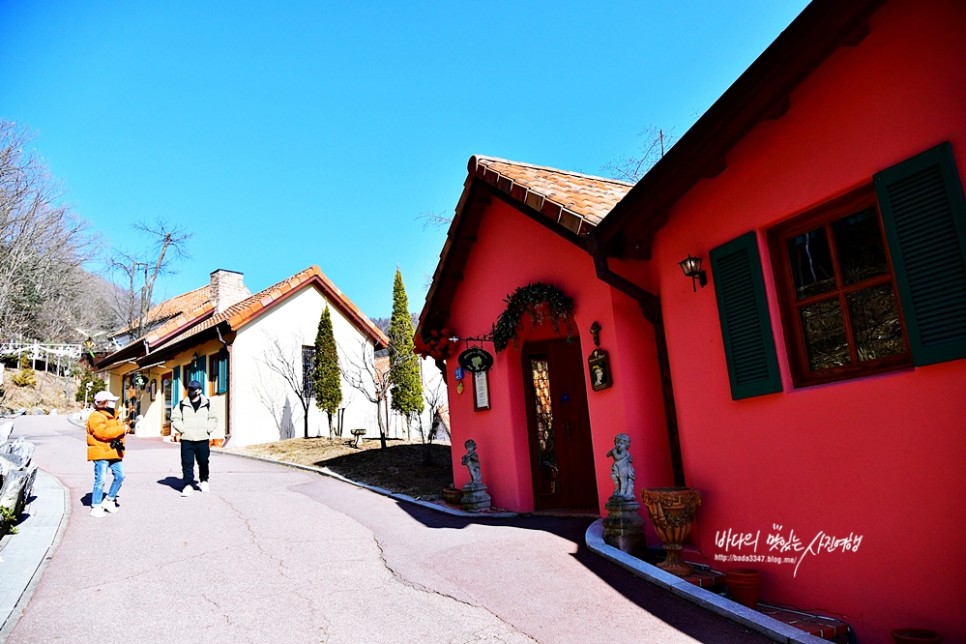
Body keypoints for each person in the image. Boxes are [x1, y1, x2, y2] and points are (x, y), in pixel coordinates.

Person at [171, 380, 218, 497]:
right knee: (187, 463)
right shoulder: (182, 404)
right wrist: (183, 429)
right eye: (189, 389)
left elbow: (214, 418)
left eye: (193, 390)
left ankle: (204, 481)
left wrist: (208, 428)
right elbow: (175, 418)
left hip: (203, 438)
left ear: (199, 391)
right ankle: (188, 485)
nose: (190, 391)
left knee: (203, 462)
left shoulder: (207, 404)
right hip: (187, 439)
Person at [86, 390, 126, 518]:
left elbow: (113, 431)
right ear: (104, 402)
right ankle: (96, 506)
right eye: (111, 401)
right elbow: (103, 433)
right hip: (101, 452)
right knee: (101, 480)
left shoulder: (114, 415)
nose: (114, 403)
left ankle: (109, 500)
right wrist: (123, 429)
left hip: (114, 452)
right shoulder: (95, 416)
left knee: (120, 476)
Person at [606, 432, 635, 500]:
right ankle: (618, 490)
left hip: (623, 467)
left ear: (626, 445)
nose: (618, 445)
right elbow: (607, 455)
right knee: (616, 479)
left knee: (623, 480)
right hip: (617, 467)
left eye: (621, 443)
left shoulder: (625, 452)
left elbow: (618, 458)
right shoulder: (616, 451)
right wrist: (611, 452)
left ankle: (623, 492)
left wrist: (614, 452)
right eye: (617, 443)